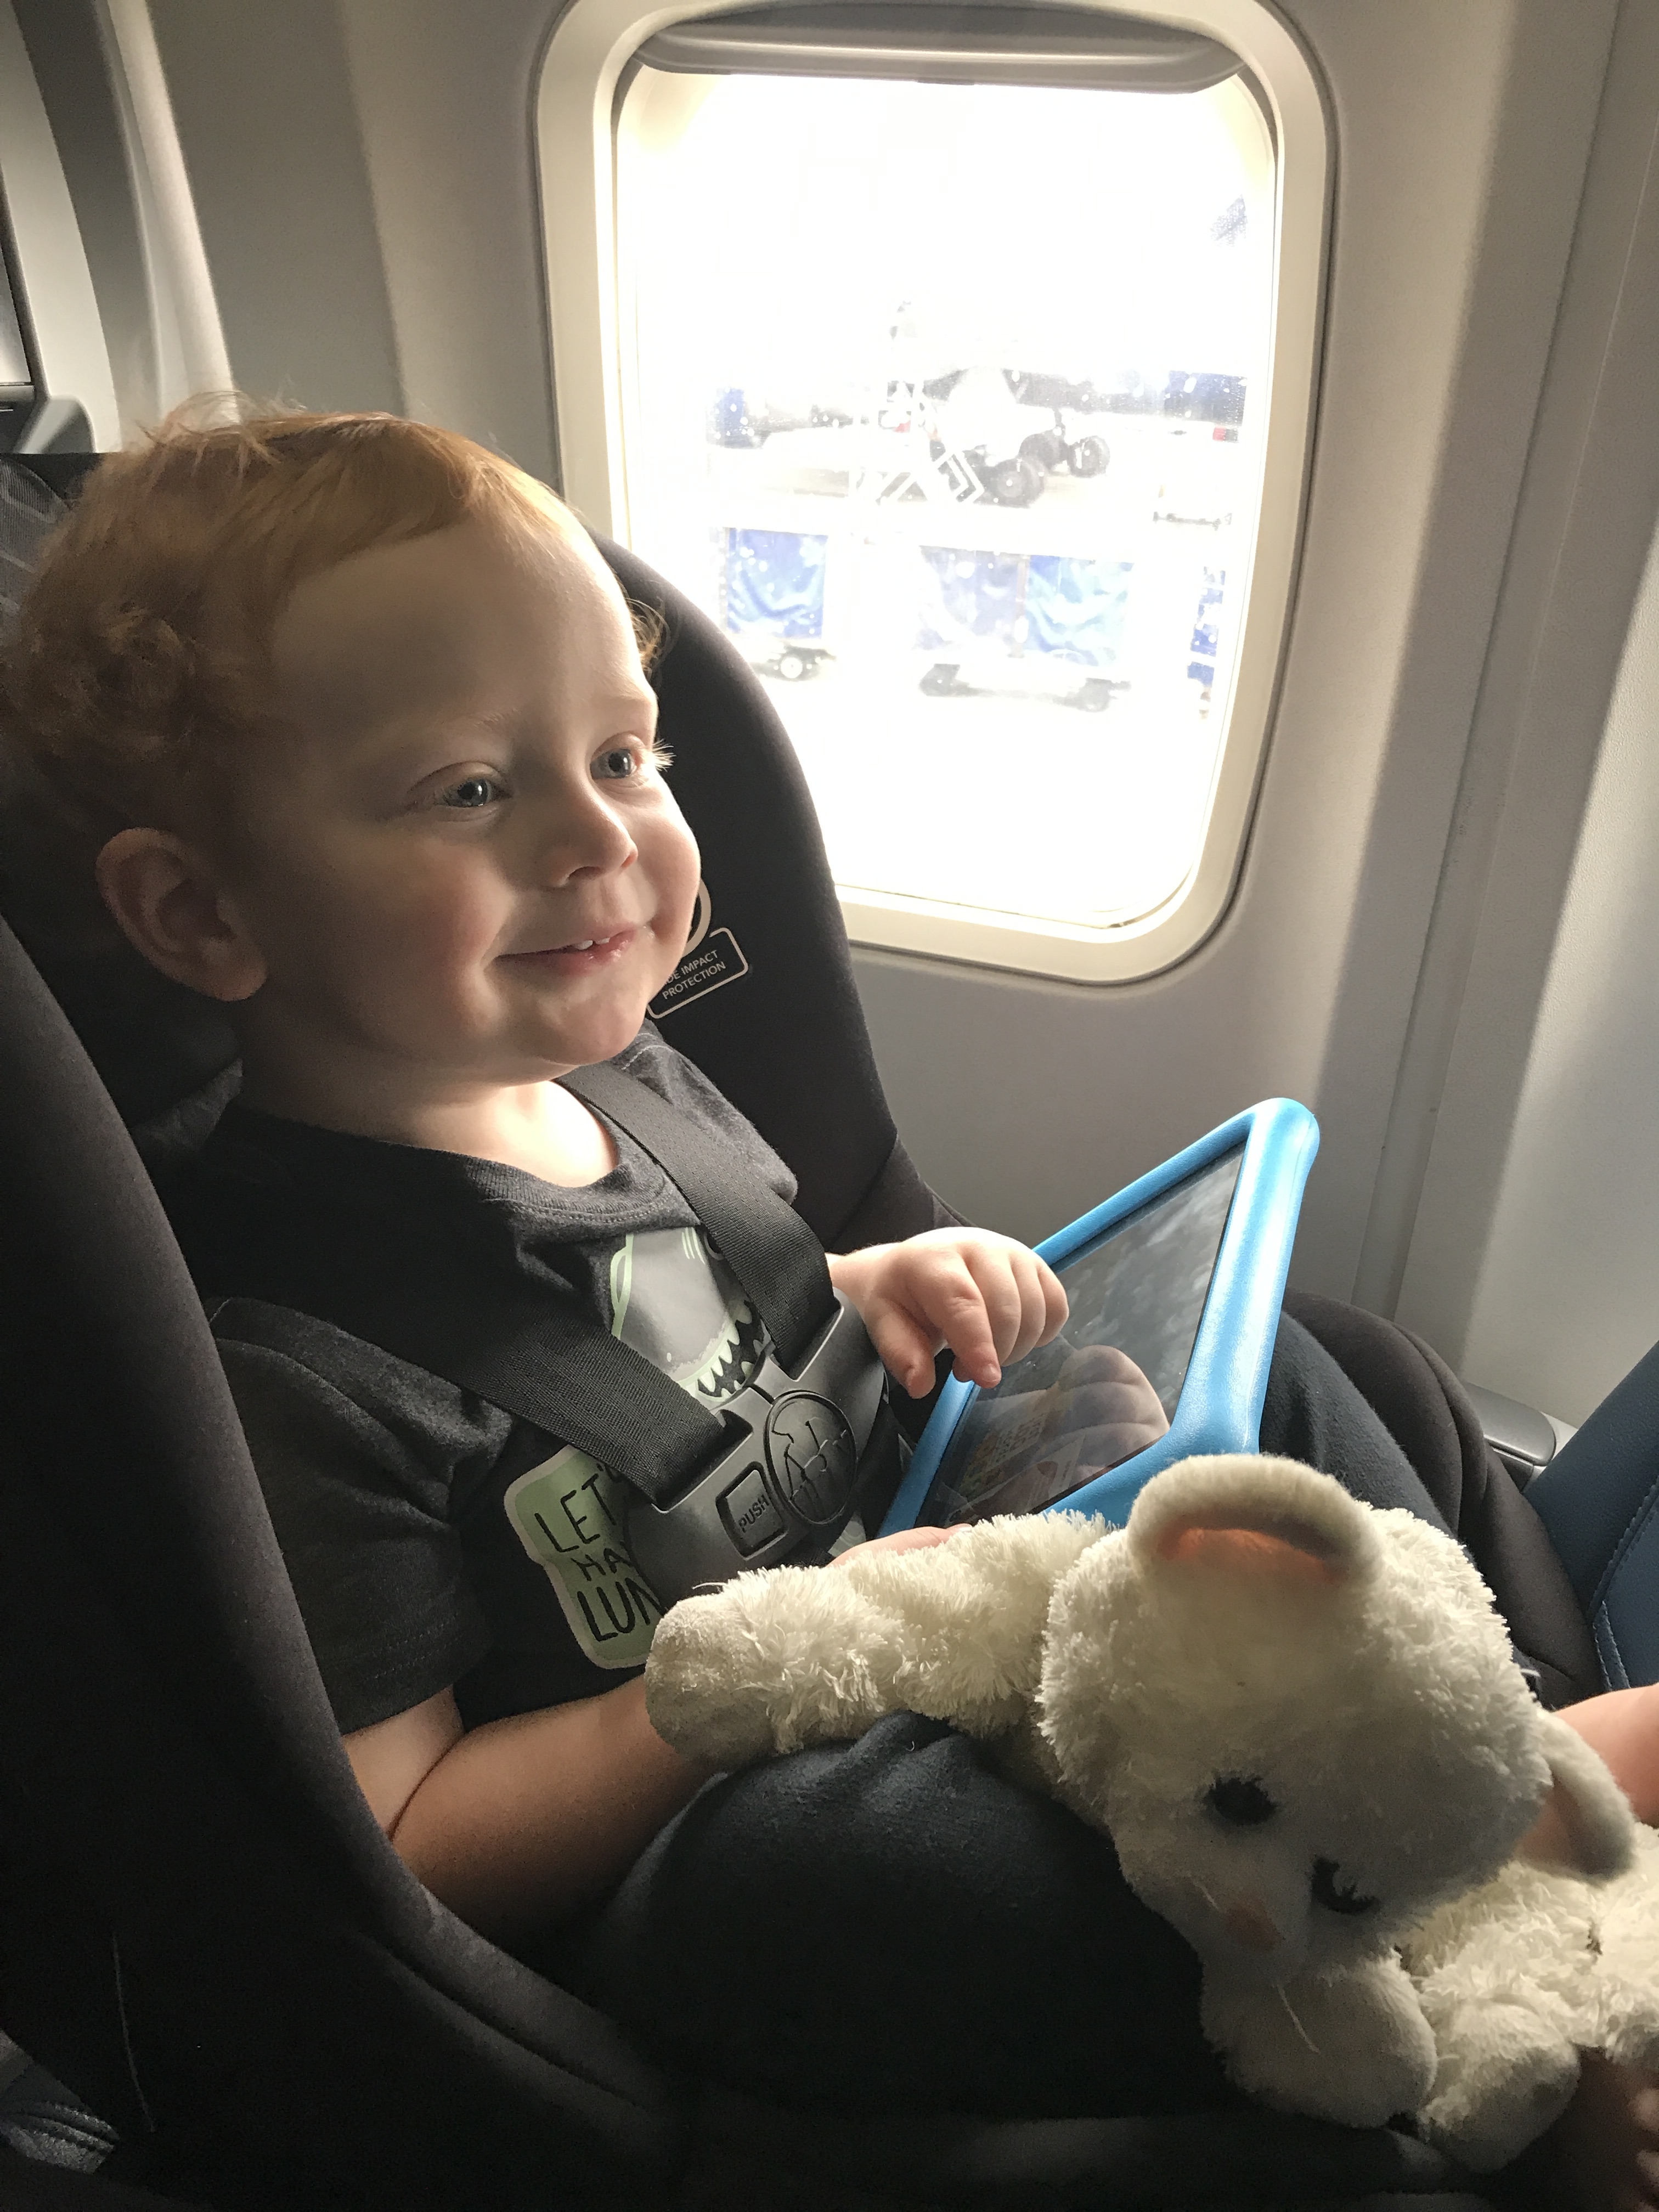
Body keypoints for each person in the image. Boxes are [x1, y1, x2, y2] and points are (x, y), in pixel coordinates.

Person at [3, 407, 1656, 2207]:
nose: (597, 833)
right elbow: (413, 1845)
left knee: (1301, 1364)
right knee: (846, 1879)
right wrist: (731, 1690)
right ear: (201, 910)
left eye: (623, 754)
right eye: (470, 789)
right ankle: (1459, 2013)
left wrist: (882, 1293)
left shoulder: (628, 1082)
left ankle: (1478, 1747)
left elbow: (727, 1341)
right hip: (726, 1801)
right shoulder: (291, 1366)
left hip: (927, 1581)